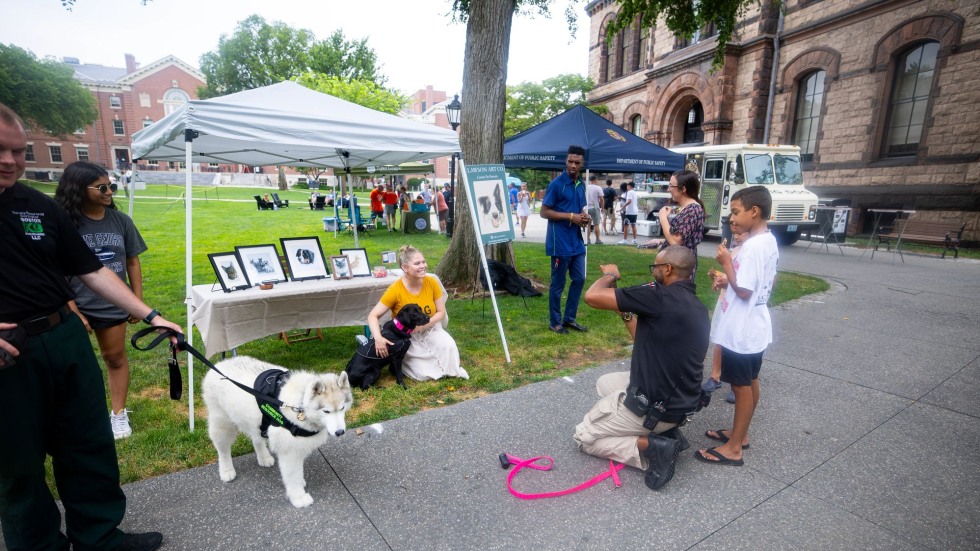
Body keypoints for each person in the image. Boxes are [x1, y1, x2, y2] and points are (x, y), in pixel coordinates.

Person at [0, 103, 180, 551]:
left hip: (64, 337)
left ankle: (100, 536)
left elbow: (93, 271)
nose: (10, 161)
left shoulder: (38, 207)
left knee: (88, 442)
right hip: (8, 353)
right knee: (16, 463)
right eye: (0, 150)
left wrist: (150, 315)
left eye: (19, 151)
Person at [575, 246, 709, 490]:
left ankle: (655, 446)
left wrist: (611, 276)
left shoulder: (657, 296)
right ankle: (665, 432)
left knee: (584, 437)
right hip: (678, 404)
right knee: (605, 382)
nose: (653, 272)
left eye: (655, 267)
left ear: (667, 269)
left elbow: (592, 296)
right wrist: (624, 312)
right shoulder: (696, 307)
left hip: (656, 407)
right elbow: (645, 338)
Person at [55, 161, 148, 440]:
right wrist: (73, 309)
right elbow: (56, 271)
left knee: (114, 359)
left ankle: (118, 415)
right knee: (74, 366)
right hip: (74, 304)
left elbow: (132, 262)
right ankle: (78, 416)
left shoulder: (121, 221)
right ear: (78, 190)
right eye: (102, 187)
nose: (110, 191)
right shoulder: (64, 222)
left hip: (112, 304)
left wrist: (135, 300)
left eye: (111, 185)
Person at [694, 186, 778, 467]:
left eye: (736, 211)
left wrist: (727, 263)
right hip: (755, 326)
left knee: (741, 386)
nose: (732, 217)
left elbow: (744, 290)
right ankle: (739, 435)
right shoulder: (767, 240)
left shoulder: (753, 246)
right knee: (750, 381)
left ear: (754, 211)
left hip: (742, 330)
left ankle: (733, 449)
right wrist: (727, 278)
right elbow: (759, 282)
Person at [366, 245, 469, 382]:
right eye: (417, 263)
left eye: (423, 262)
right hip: (406, 336)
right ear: (405, 268)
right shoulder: (395, 290)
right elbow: (373, 316)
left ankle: (445, 368)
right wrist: (378, 339)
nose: (423, 266)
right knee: (423, 374)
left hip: (431, 328)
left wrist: (423, 326)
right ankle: (401, 364)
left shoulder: (431, 282)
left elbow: (441, 312)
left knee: (448, 347)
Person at [540, 145, 590, 335]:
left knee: (579, 278)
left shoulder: (581, 185)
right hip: (559, 243)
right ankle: (555, 322)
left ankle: (569, 318)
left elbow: (579, 211)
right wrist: (571, 217)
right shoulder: (556, 184)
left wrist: (583, 217)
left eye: (577, 162)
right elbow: (544, 212)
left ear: (582, 164)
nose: (573, 165)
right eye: (570, 161)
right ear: (565, 161)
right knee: (558, 284)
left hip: (576, 241)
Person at [639, 170, 706, 279]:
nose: (668, 189)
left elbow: (676, 242)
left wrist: (662, 217)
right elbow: (684, 239)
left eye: (671, 186)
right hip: (675, 266)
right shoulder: (687, 209)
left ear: (683, 189)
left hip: (679, 268)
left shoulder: (693, 209)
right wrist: (661, 241)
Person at [586, 174, 604, 245]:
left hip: (586, 207)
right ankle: (598, 239)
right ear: (595, 180)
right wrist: (602, 208)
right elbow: (601, 199)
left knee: (588, 224)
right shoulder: (598, 188)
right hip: (595, 207)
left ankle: (588, 239)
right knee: (596, 224)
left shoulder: (585, 187)